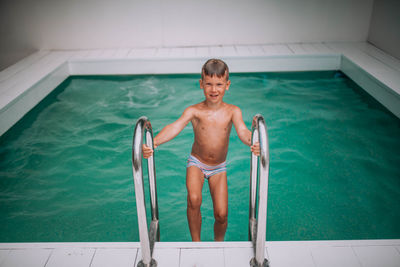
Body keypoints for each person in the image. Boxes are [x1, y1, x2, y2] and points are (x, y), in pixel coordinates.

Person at [142, 59, 260, 241]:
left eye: (219, 84)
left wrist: (253, 141)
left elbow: (243, 130)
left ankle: (218, 243)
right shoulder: (194, 111)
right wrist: (154, 143)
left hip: (219, 167)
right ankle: (196, 242)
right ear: (201, 84)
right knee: (194, 199)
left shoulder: (233, 111)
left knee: (221, 214)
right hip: (196, 163)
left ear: (227, 85)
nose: (214, 90)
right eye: (209, 84)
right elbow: (175, 126)